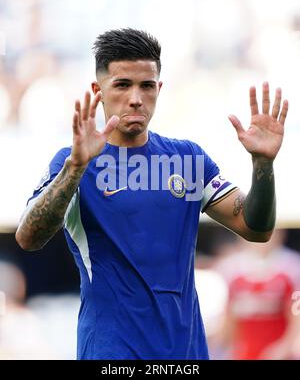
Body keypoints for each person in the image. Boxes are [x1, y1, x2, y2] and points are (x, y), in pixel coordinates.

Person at [15, 28, 289, 360]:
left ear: (159, 88)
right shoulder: (74, 162)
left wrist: (263, 164)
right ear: (97, 90)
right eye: (122, 84)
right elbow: (28, 237)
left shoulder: (187, 160)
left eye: (146, 86)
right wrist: (75, 168)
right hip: (111, 354)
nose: (135, 97)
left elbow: (256, 228)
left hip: (187, 354)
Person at [213, 230, 300, 360]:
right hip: (244, 350)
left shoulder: (292, 266)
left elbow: (296, 315)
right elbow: (228, 316)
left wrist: (284, 347)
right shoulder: (230, 268)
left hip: (277, 350)